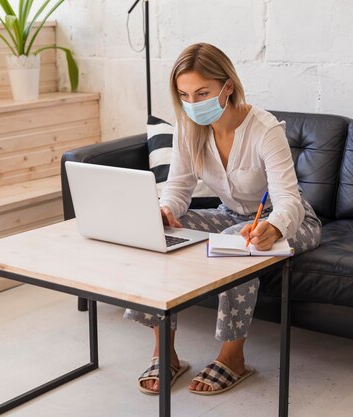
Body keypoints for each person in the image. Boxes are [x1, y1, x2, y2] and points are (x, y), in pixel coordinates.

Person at [124, 43, 322, 395]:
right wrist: (166, 211)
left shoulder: (265, 130)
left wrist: (273, 227)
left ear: (227, 86)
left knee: (234, 242)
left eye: (202, 92)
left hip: (293, 222)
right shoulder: (188, 128)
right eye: (185, 94)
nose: (193, 102)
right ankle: (164, 350)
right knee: (154, 233)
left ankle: (233, 357)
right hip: (229, 215)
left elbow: (288, 200)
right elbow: (179, 187)